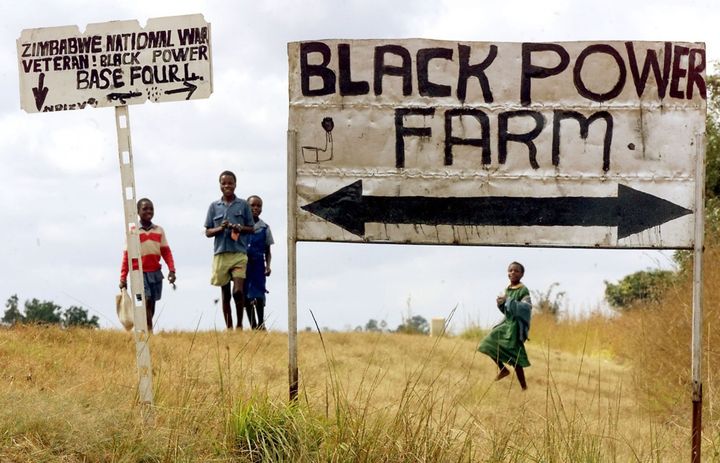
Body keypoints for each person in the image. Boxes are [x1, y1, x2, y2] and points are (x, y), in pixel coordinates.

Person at [205, 170, 255, 330]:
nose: (227, 186)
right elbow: (207, 232)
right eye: (224, 183)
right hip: (221, 254)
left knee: (238, 292)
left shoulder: (243, 205)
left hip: (239, 253)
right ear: (220, 185)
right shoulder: (214, 207)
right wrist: (220, 228)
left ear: (235, 184)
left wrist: (240, 227)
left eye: (230, 183)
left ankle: (240, 324)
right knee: (225, 294)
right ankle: (230, 327)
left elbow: (251, 228)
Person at [119, 198, 176, 333]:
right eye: (145, 209)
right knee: (146, 301)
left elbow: (166, 252)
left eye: (151, 209)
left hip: (155, 273)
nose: (148, 211)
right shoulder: (133, 231)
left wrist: (172, 270)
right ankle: (149, 333)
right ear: (138, 212)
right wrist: (123, 278)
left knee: (152, 306)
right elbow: (126, 255)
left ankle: (143, 330)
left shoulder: (159, 230)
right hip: (139, 274)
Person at [477, 261, 532, 390]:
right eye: (510, 270)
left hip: (515, 327)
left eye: (516, 271)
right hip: (506, 323)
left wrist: (509, 301)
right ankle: (503, 369)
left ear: (522, 274)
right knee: (488, 343)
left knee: (516, 358)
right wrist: (501, 304)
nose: (513, 272)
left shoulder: (523, 289)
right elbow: (507, 310)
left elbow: (526, 308)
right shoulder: (507, 289)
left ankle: (524, 387)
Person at [244, 195, 274, 330]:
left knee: (259, 294)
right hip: (243, 264)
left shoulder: (264, 228)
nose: (255, 208)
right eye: (252, 205)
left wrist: (268, 266)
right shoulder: (241, 226)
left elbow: (268, 251)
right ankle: (253, 325)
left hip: (258, 265)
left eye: (258, 206)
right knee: (246, 295)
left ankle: (261, 324)